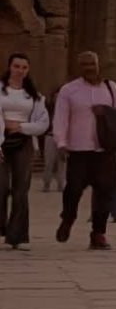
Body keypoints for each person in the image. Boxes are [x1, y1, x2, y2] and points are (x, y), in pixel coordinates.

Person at [53, 51, 116, 252]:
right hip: (78, 150)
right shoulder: (69, 90)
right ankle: (68, 218)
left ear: (98, 64)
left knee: (105, 192)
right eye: (85, 64)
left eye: (92, 64)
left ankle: (98, 234)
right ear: (79, 67)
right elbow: (60, 118)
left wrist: (106, 112)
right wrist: (61, 142)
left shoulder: (111, 88)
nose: (90, 68)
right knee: (73, 190)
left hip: (104, 150)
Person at [0, 53, 49, 251]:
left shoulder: (35, 96)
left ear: (28, 70)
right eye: (16, 66)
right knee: (1, 187)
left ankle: (17, 235)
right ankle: (2, 227)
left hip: (23, 141)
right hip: (2, 140)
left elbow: (43, 123)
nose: (19, 70)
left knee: (21, 190)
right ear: (9, 67)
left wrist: (21, 127)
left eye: (24, 67)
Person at [40, 91, 64, 193]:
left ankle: (61, 184)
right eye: (56, 96)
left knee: (61, 162)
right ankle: (46, 183)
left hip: (62, 137)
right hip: (50, 136)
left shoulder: (65, 109)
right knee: (49, 161)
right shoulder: (48, 110)